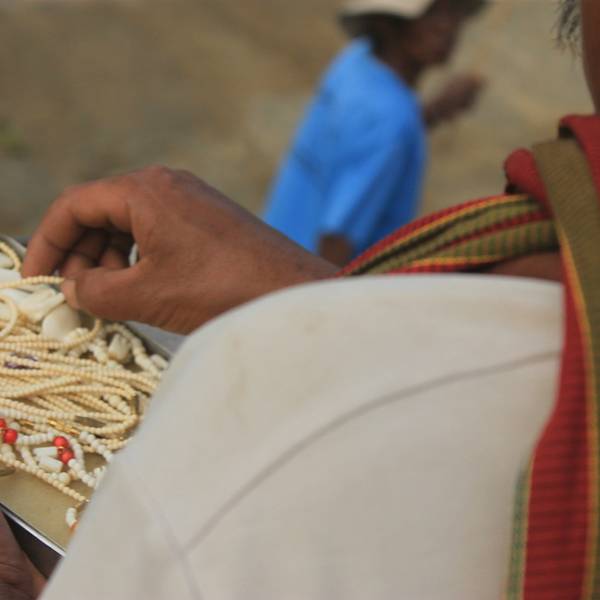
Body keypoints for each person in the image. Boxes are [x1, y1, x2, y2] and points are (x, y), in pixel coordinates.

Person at [0, 0, 595, 598]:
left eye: (455, 19)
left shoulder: (356, 68)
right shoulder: (395, 125)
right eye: (438, 19)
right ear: (392, 23)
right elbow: (348, 215)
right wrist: (310, 307)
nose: (450, 33)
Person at [264, 0, 486, 266]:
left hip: (272, 245)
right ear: (386, 22)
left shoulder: (355, 60)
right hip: (300, 272)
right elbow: (336, 239)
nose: (447, 26)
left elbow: (370, 138)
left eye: (453, 11)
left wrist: (435, 111)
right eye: (432, 13)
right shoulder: (394, 121)